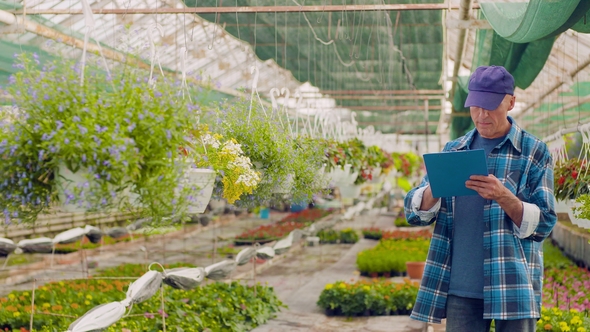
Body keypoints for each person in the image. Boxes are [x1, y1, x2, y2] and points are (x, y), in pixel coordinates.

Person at [404, 65, 556, 332]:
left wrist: (504, 197)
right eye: (476, 105)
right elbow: (414, 212)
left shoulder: (534, 152)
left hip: (513, 285)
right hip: (461, 290)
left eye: (490, 105)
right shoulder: (455, 149)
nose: (482, 114)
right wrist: (434, 190)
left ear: (510, 102)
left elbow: (545, 222)